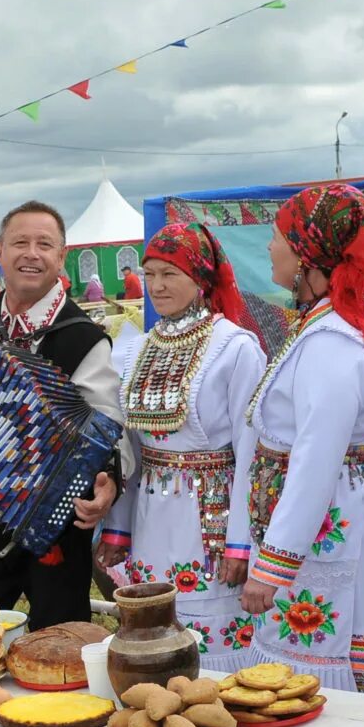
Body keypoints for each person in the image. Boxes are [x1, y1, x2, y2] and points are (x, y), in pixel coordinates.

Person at [236, 184, 364, 702]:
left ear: (308, 254)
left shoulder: (332, 342)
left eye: (277, 236)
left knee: (319, 668)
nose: (269, 248)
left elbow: (316, 457)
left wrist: (272, 566)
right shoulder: (325, 325)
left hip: (332, 519)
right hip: (326, 513)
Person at [0, 201, 125, 631]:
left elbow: (108, 426)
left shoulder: (82, 336)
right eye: (20, 242)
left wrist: (108, 479)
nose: (31, 254)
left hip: (56, 522)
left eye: (44, 244)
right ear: (0, 250)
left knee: (62, 637)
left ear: (61, 256)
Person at [95, 222, 267, 665]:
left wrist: (240, 543)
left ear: (201, 277)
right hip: (152, 517)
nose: (156, 285)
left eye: (169, 273)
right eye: (149, 273)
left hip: (209, 521)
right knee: (155, 634)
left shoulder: (235, 348)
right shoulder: (136, 349)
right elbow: (127, 447)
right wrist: (119, 528)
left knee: (211, 648)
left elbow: (251, 452)